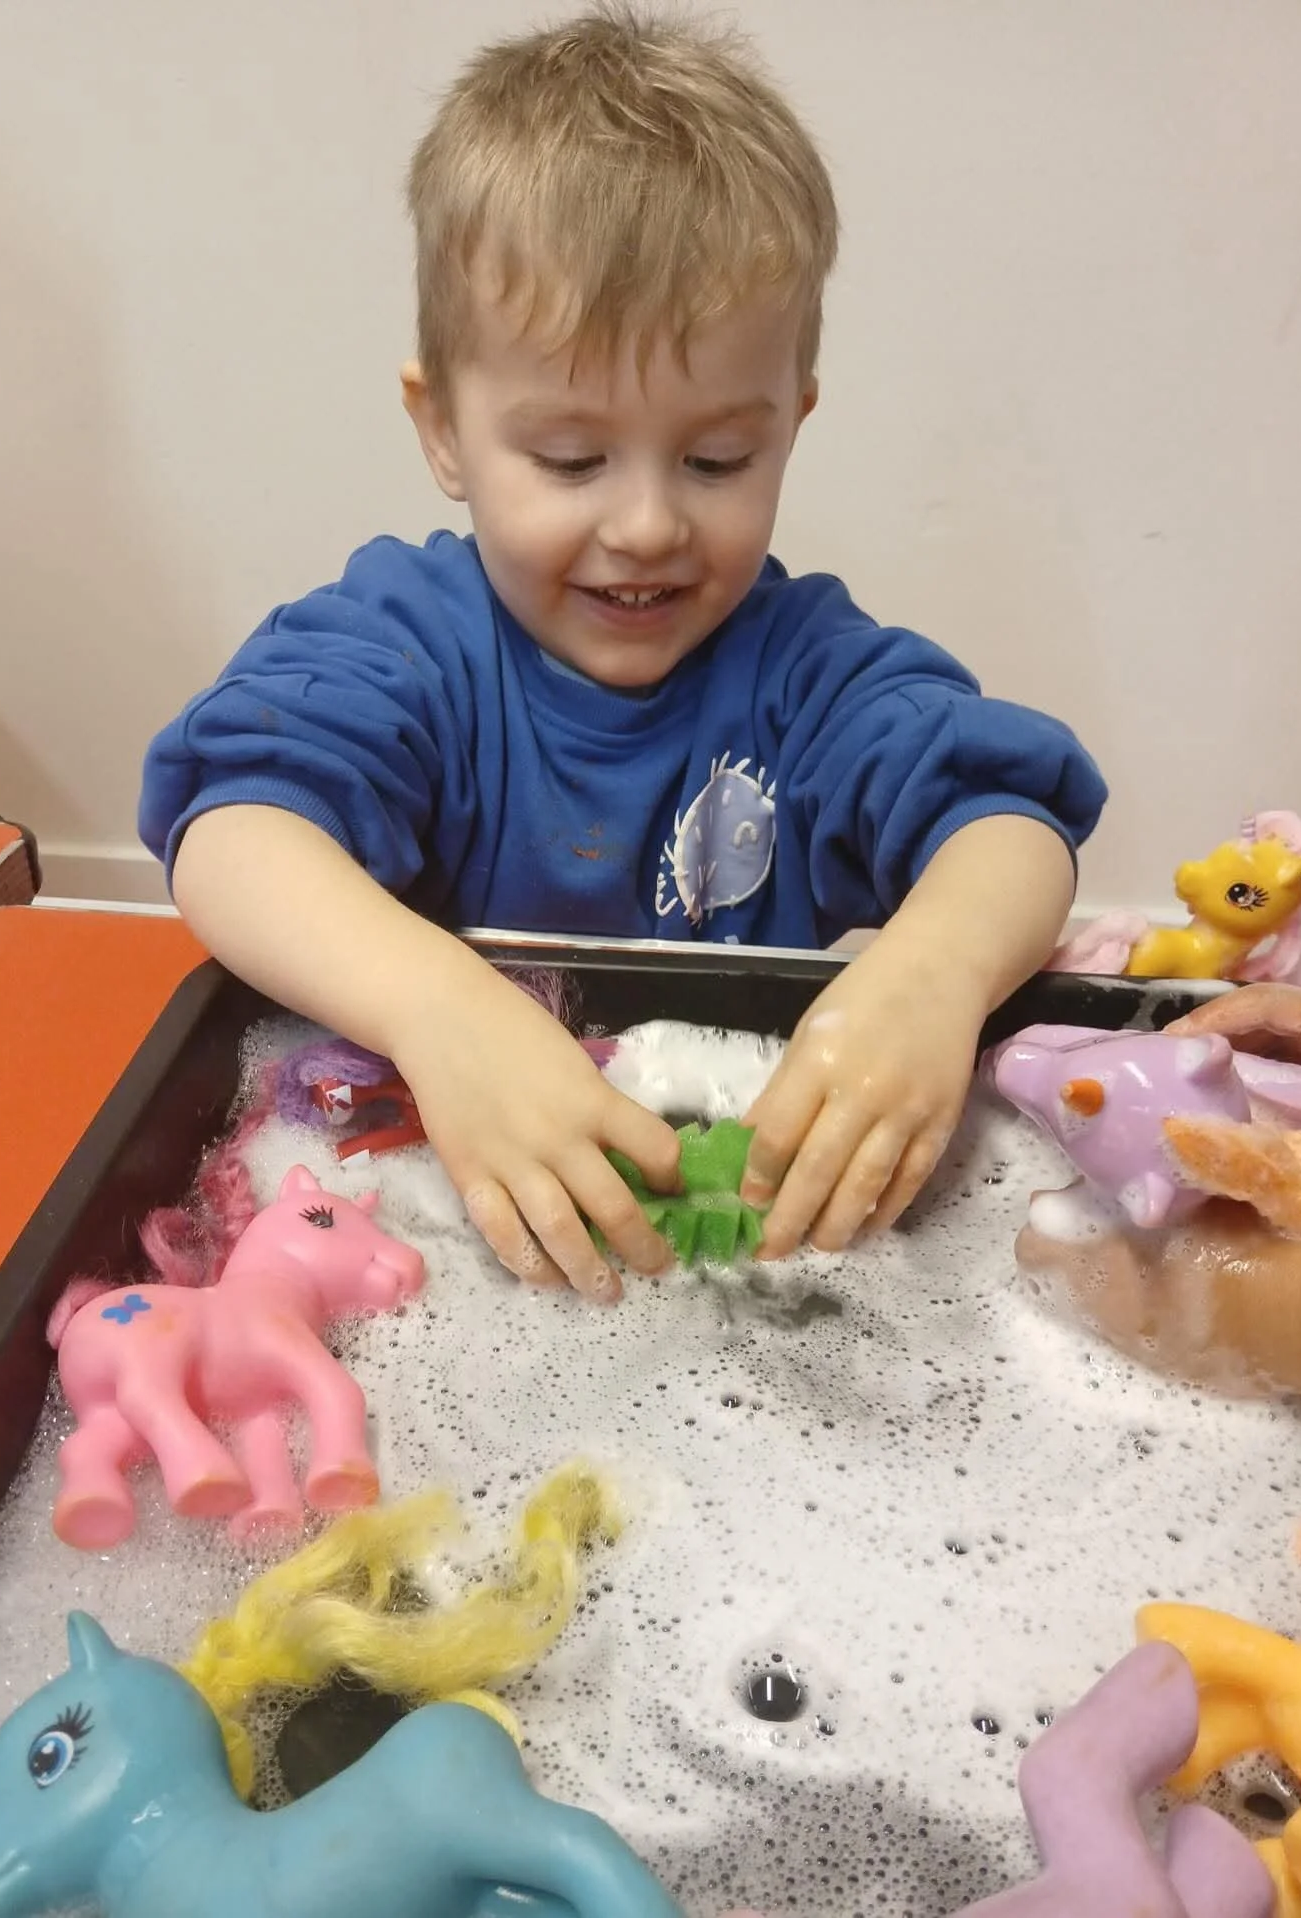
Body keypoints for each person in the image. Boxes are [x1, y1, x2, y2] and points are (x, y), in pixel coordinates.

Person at [140, 5, 1106, 1302]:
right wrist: (443, 1012)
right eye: (571, 458)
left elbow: (1011, 824)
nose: (647, 523)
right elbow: (230, 834)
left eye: (717, 459)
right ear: (444, 431)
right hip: (433, 1246)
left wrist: (930, 975)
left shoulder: (805, 670)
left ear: (791, 425)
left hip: (752, 1269)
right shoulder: (405, 647)